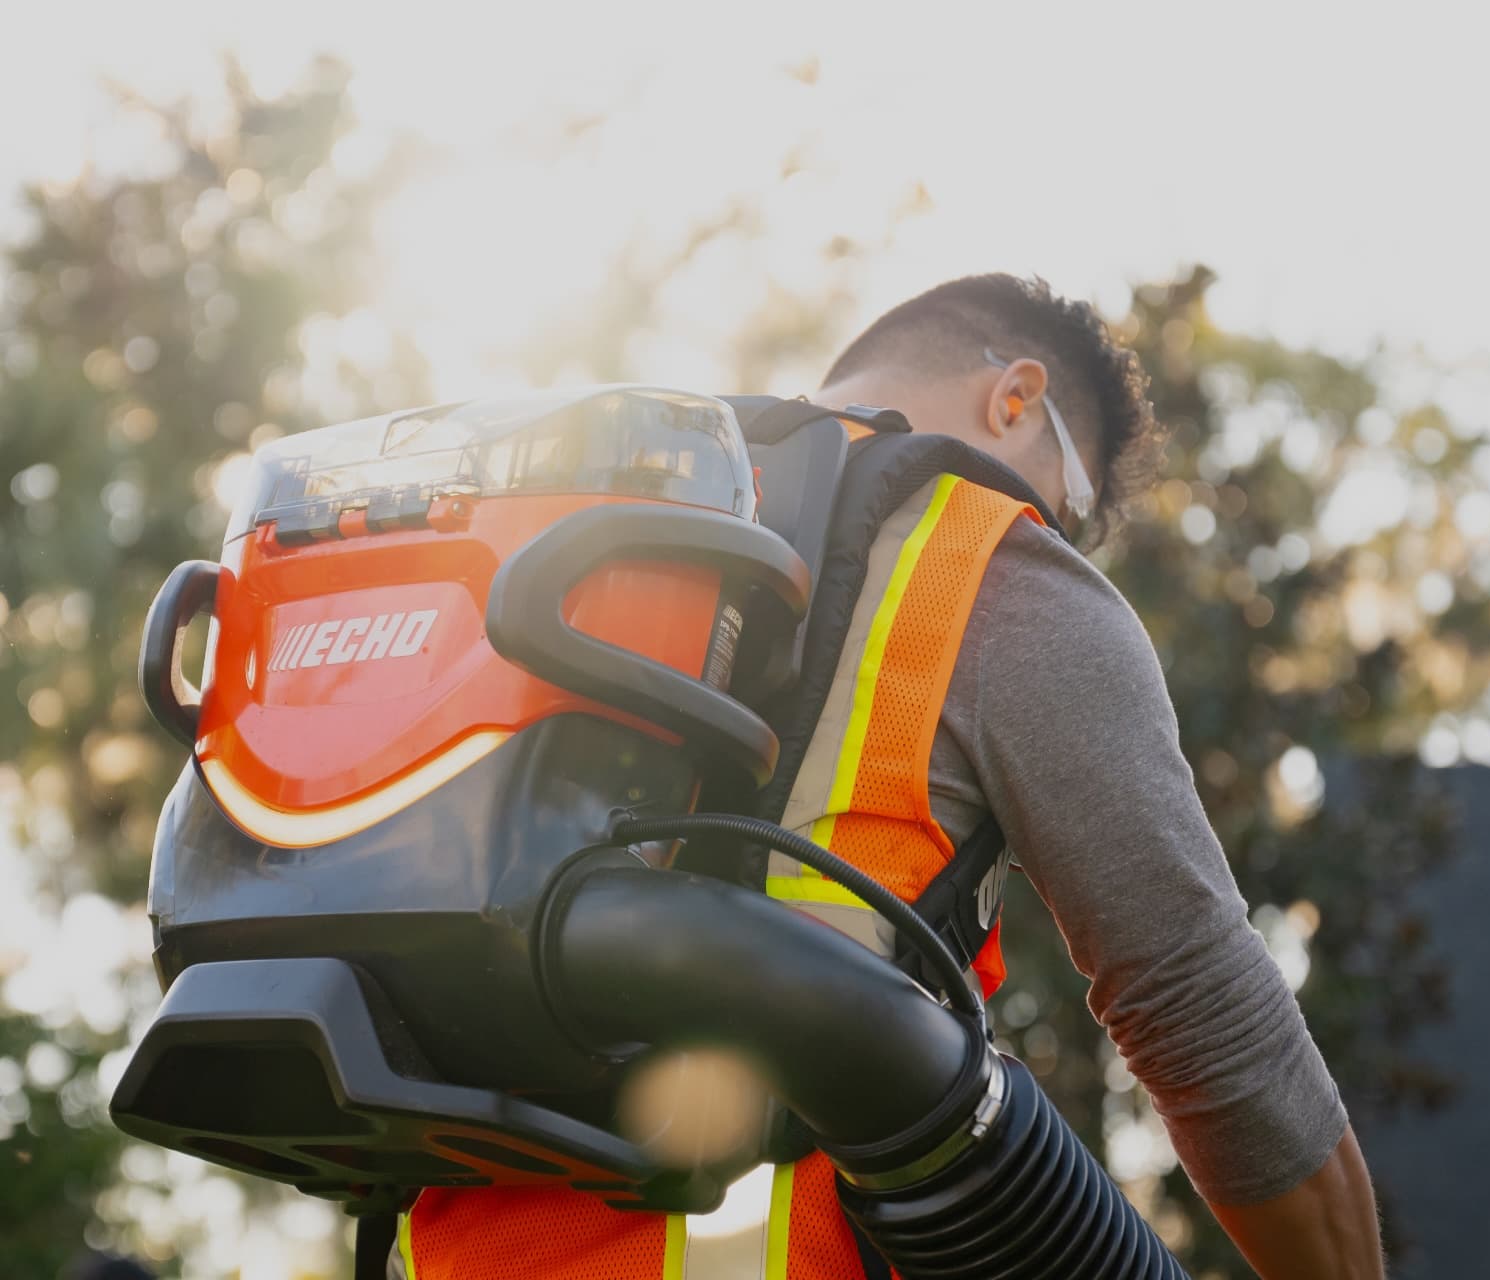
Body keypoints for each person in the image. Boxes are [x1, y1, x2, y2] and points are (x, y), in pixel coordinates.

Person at [392, 273, 1384, 1279]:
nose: (1057, 540)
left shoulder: (592, 522)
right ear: (1013, 398)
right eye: (1069, 508)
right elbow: (1204, 1011)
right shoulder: (982, 556)